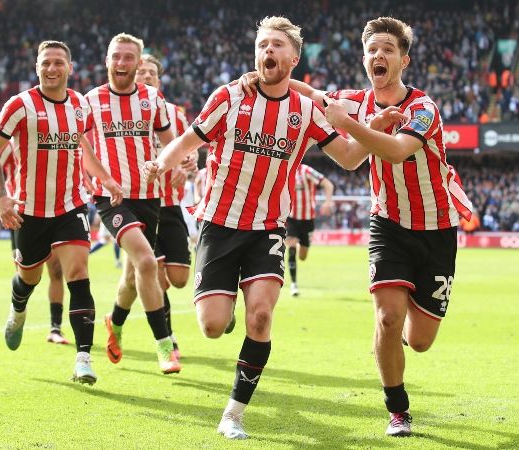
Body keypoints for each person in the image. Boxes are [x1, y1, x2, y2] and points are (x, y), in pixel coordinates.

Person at [241, 16, 474, 436]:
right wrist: (256, 78)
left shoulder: (423, 109)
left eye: (387, 49)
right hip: (388, 224)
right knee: (387, 318)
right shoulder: (356, 101)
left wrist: (349, 125)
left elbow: (399, 151)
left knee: (419, 339)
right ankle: (397, 410)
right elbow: (306, 90)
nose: (378, 56)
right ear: (365, 60)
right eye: (372, 50)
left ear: (404, 59)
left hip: (437, 229)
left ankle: (398, 335)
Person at [144, 16, 364, 440]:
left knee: (260, 317)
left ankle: (233, 413)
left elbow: (351, 158)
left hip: (267, 228)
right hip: (219, 224)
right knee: (211, 326)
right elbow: (188, 141)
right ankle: (222, 311)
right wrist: (161, 162)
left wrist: (379, 127)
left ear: (294, 58)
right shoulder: (229, 97)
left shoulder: (306, 112)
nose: (269, 51)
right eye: (263, 44)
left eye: (278, 45)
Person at [0, 40, 124, 385]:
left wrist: (104, 177)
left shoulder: (79, 105)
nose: (51, 68)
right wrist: (1, 198)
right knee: (28, 278)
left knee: (78, 272)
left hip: (70, 205)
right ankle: (17, 312)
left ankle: (83, 358)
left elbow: (82, 147)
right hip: (29, 211)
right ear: (37, 67)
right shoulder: (20, 105)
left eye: (58, 62)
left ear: (69, 68)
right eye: (45, 63)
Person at [83, 33, 184, 374]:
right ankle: (165, 345)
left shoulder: (151, 99)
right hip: (112, 197)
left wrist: (179, 162)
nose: (122, 63)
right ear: (107, 60)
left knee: (131, 277)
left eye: (129, 57)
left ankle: (116, 323)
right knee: (146, 261)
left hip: (148, 196)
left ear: (139, 63)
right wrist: (104, 179)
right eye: (116, 56)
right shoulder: (90, 101)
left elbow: (171, 141)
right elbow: (81, 149)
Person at [136, 53, 194, 359]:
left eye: (151, 74)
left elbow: (189, 152)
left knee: (180, 279)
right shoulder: (126, 113)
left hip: (171, 204)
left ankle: (117, 316)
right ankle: (168, 338)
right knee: (156, 274)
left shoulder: (175, 113)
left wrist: (186, 167)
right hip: (144, 203)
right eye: (140, 72)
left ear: (159, 80)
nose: (145, 77)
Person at [0, 142, 70, 345]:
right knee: (26, 276)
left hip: (55, 209)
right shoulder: (11, 139)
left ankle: (55, 328)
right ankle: (18, 311)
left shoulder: (57, 129)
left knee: (57, 270)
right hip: (22, 213)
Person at [285, 163, 334, 296]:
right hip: (291, 218)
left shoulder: (305, 170)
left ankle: (302, 243)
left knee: (302, 256)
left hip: (307, 220)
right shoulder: (283, 169)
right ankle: (294, 285)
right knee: (292, 247)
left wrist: (328, 201)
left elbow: (328, 184)